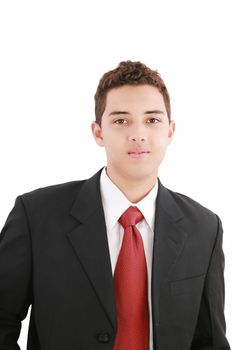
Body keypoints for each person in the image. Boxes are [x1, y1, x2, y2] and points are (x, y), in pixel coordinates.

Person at [0, 60, 230, 350]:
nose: (138, 134)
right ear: (98, 132)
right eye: (121, 120)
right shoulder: (36, 216)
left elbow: (209, 341)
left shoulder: (204, 228)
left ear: (170, 131)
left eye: (152, 120)